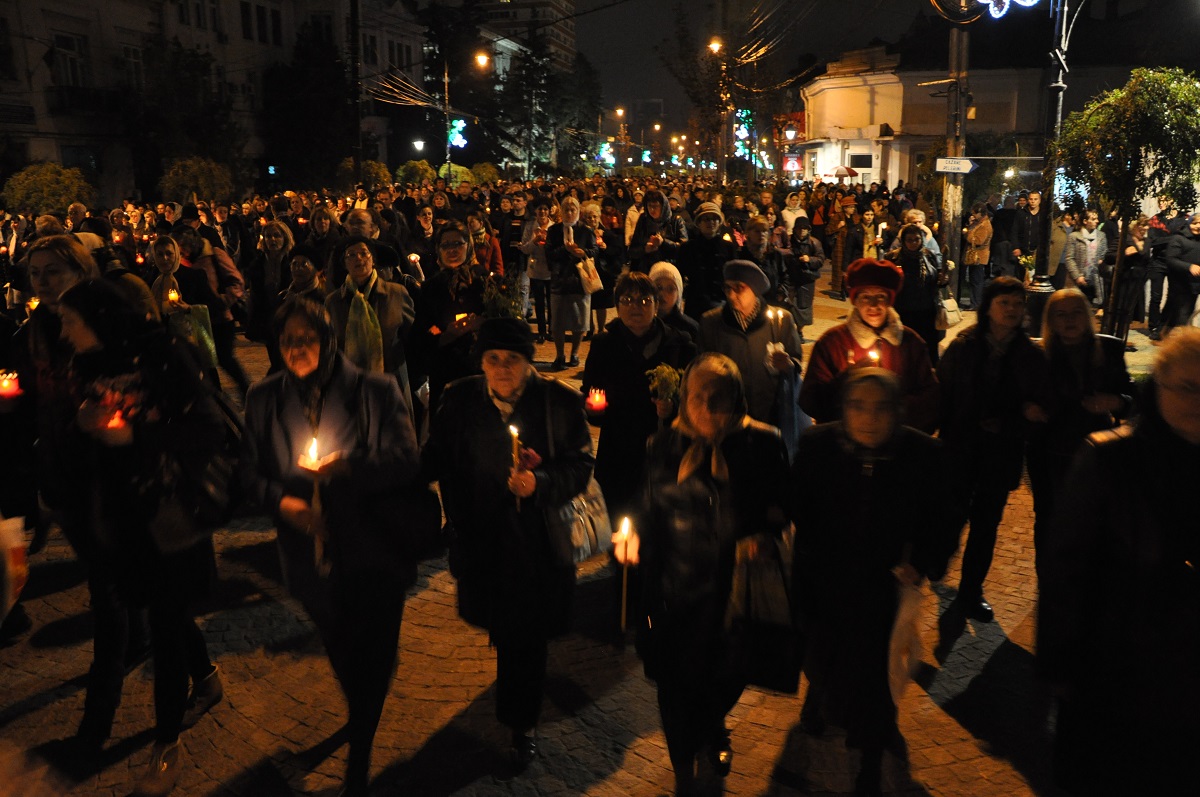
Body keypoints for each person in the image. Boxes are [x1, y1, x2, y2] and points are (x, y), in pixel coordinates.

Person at [241, 297, 420, 796]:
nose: (298, 349)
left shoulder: (376, 392)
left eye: (308, 338)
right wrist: (287, 506)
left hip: (375, 549)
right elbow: (248, 475)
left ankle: (359, 757)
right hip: (308, 558)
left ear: (329, 340)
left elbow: (407, 461)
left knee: (375, 652)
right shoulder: (263, 398)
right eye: (288, 340)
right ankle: (362, 708)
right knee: (342, 649)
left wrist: (346, 466)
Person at [423, 317, 595, 777]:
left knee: (526, 638)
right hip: (482, 542)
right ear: (481, 362)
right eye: (493, 359)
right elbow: (437, 457)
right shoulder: (460, 398)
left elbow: (580, 466)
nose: (502, 370)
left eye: (512, 360)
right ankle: (515, 698)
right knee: (503, 625)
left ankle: (522, 725)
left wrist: (539, 482)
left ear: (528, 362)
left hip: (535, 547)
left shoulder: (558, 401)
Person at [1037, 327, 1200, 796]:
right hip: (1112, 675)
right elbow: (1065, 571)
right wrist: (1061, 666)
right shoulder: (1109, 458)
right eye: (1186, 386)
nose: (1196, 399)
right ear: (1159, 388)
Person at [619, 352, 789, 796]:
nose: (708, 408)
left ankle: (713, 726)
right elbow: (644, 508)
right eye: (698, 397)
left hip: (736, 597)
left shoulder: (764, 444)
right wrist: (632, 535)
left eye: (720, 397)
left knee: (726, 677)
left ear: (737, 399)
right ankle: (683, 771)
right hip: (676, 594)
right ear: (684, 399)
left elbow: (783, 509)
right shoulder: (662, 445)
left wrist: (764, 538)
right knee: (675, 690)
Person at [790, 368, 955, 797]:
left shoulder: (924, 455)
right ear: (843, 409)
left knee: (874, 685)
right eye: (857, 406)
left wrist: (921, 563)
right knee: (825, 666)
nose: (868, 418)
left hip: (881, 593)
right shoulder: (816, 447)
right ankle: (829, 700)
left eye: (881, 408)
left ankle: (868, 762)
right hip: (824, 586)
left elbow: (944, 518)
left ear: (897, 412)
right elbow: (798, 509)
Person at [937, 277, 1050, 622]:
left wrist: (1013, 422)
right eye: (1005, 303)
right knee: (950, 516)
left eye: (1018, 304)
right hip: (959, 449)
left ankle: (972, 591)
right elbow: (942, 396)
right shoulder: (964, 345)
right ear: (988, 307)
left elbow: (1039, 409)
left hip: (1000, 455)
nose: (1013, 310)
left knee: (986, 526)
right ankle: (938, 562)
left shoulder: (1031, 355)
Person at [580, 272, 698, 520]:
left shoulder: (679, 344)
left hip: (662, 447)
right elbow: (590, 391)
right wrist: (594, 409)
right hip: (618, 448)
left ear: (656, 305)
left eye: (644, 300)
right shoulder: (604, 345)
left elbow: (693, 396)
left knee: (659, 516)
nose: (636, 307)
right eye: (627, 300)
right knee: (619, 518)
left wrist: (672, 406)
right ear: (617, 305)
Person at [1027, 289, 1133, 558]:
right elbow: (1019, 396)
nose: (1069, 320)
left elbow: (1134, 399)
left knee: (1094, 520)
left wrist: (1116, 401)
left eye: (1076, 313)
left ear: (1086, 316)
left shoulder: (1108, 351)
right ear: (1050, 320)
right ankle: (1049, 583)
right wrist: (1027, 408)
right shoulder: (1038, 355)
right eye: (1061, 315)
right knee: (1050, 520)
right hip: (1049, 453)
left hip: (1096, 451)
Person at [800, 258, 939, 433]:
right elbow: (810, 400)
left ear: (889, 300)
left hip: (898, 443)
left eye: (880, 297)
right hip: (844, 443)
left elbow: (931, 398)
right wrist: (846, 379)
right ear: (855, 301)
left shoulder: (911, 342)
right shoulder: (832, 342)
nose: (873, 305)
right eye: (866, 297)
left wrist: (891, 408)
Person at [697, 260, 805, 459]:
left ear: (755, 289)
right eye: (727, 288)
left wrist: (789, 364)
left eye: (739, 288)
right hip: (728, 419)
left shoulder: (782, 322)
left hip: (771, 415)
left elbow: (796, 360)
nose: (731, 295)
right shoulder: (711, 323)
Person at [324, 236, 416, 402]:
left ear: (373, 260)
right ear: (344, 264)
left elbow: (412, 336)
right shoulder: (334, 301)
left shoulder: (396, 293)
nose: (358, 258)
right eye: (351, 255)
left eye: (364, 253)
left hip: (392, 378)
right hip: (350, 382)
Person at [409, 221, 487, 416]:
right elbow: (425, 329)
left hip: (479, 369)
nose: (452, 250)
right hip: (445, 370)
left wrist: (480, 325)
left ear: (468, 246)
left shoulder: (483, 283)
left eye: (458, 244)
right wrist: (444, 333)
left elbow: (496, 321)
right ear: (438, 250)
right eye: (446, 245)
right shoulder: (431, 287)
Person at [545, 196, 597, 369]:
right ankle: (560, 355)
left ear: (578, 212)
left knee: (579, 321)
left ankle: (574, 353)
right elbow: (549, 254)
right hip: (559, 280)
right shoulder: (554, 231)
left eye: (572, 209)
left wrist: (582, 252)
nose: (569, 213)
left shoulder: (585, 231)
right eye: (566, 209)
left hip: (579, 281)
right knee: (557, 322)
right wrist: (564, 250)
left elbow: (594, 250)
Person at [886, 223, 948, 365]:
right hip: (903, 312)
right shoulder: (893, 258)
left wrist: (943, 280)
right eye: (909, 240)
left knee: (928, 351)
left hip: (927, 312)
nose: (913, 243)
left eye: (917, 239)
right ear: (903, 241)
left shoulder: (929, 255)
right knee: (904, 353)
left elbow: (938, 279)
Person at [244, 220, 294, 369]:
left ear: (285, 238)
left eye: (277, 236)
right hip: (268, 320)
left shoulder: (292, 261)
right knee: (275, 359)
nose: (273, 240)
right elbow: (255, 295)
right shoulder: (257, 264)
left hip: (288, 318)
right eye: (268, 236)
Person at [677, 202, 739, 322]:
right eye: (706, 219)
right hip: (696, 305)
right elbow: (680, 276)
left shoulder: (728, 247)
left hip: (722, 303)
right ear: (698, 223)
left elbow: (734, 276)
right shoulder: (688, 248)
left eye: (714, 218)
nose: (710, 222)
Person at [519, 197, 555, 345]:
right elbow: (524, 248)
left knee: (552, 301)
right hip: (535, 268)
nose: (542, 212)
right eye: (540, 209)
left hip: (551, 268)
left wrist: (548, 244)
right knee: (539, 302)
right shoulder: (529, 227)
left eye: (545, 209)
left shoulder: (554, 227)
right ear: (535, 210)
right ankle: (541, 331)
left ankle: (552, 329)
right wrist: (534, 241)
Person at [628, 189, 688, 273]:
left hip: (668, 271)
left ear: (663, 206)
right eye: (649, 206)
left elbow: (684, 250)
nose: (652, 210)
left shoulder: (676, 220)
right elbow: (633, 250)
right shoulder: (643, 220)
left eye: (656, 206)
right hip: (646, 270)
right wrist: (645, 249)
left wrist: (663, 242)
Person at [1160, 212, 1200, 335]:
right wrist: (1189, 267)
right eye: (1195, 223)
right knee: (1177, 311)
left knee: (1187, 311)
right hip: (1179, 283)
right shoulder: (1178, 238)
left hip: (1195, 284)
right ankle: (1163, 334)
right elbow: (1171, 259)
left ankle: (1168, 335)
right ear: (1189, 223)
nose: (1198, 226)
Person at [786, 218, 825, 341]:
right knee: (789, 305)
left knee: (804, 307)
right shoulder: (789, 240)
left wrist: (810, 259)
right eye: (800, 228)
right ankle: (789, 331)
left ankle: (799, 331)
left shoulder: (814, 242)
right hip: (791, 277)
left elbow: (820, 259)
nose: (802, 231)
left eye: (805, 228)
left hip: (807, 280)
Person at [1064, 210, 1106, 307]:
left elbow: (1103, 254)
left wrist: (1101, 261)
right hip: (1078, 280)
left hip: (1094, 279)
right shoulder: (1074, 236)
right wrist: (1077, 276)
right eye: (1093, 219)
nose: (1097, 221)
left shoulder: (1101, 236)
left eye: (1097, 218)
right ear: (1085, 221)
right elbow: (1069, 258)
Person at [650, 261, 700, 341]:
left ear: (678, 294)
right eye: (658, 287)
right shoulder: (642, 323)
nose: (663, 294)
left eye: (670, 289)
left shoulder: (689, 328)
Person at [962, 202, 992, 310]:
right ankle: (974, 303)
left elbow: (978, 240)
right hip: (975, 257)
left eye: (975, 213)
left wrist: (967, 234)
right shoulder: (979, 223)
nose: (973, 215)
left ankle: (976, 304)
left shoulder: (985, 225)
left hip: (979, 257)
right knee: (974, 280)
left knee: (976, 281)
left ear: (980, 213)